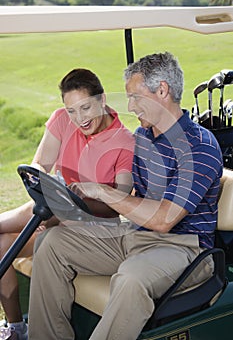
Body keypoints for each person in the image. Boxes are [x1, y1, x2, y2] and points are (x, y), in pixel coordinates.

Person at [28, 52, 223, 340]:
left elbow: (163, 220)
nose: (130, 106)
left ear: (162, 91)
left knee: (132, 277)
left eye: (135, 97)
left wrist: (103, 192)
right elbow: (125, 193)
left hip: (185, 249)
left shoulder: (199, 147)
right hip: (135, 236)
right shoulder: (145, 138)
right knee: (52, 242)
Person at [0, 68, 135, 340]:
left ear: (102, 99)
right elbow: (40, 165)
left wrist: (68, 209)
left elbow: (116, 205)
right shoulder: (62, 120)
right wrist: (51, 190)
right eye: (72, 110)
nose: (79, 119)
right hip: (51, 207)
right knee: (1, 243)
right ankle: (16, 328)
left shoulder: (125, 143)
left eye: (85, 108)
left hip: (92, 226)